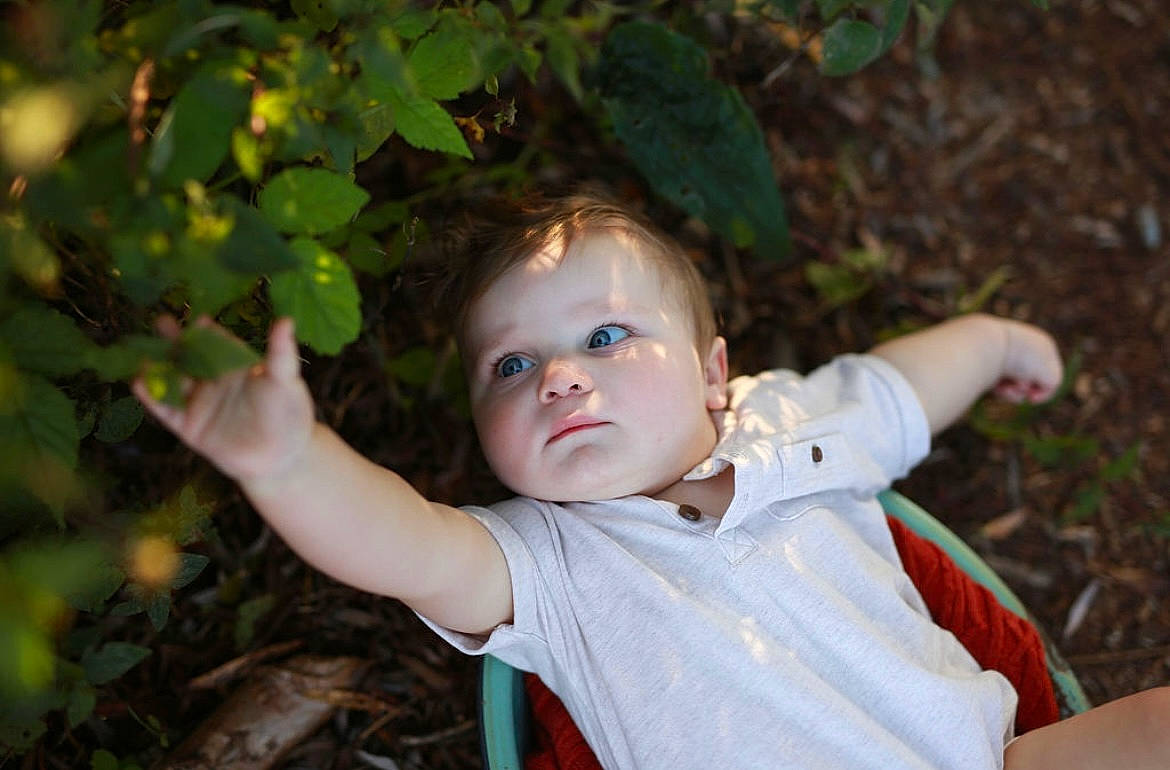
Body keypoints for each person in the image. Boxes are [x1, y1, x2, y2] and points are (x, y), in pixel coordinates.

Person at [135, 189, 1169, 769]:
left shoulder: (788, 419)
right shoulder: (545, 562)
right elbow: (401, 543)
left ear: (714, 373)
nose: (559, 377)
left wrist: (995, 340)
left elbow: (900, 388)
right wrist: (289, 460)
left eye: (604, 336)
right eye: (511, 365)